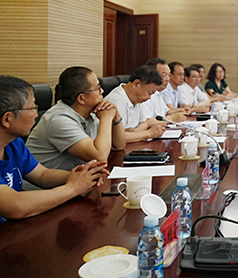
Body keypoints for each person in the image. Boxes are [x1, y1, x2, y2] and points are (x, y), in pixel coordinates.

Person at [0, 76, 109, 223]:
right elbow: (15, 206)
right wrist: (73, 187)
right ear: (7, 119)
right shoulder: (57, 118)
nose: (36, 114)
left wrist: (81, 176)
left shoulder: (14, 144)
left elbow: (42, 175)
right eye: (32, 108)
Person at [25, 67, 126, 173]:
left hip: (75, 179)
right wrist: (106, 118)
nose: (102, 91)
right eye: (98, 88)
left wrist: (116, 117)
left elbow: (119, 146)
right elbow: (100, 157)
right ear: (82, 98)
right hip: (46, 182)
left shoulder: (90, 111)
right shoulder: (59, 120)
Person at [105, 65, 167, 143]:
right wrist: (149, 133)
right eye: (149, 93)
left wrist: (134, 132)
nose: (149, 97)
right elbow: (116, 138)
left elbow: (144, 123)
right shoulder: (117, 101)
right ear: (136, 84)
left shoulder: (138, 98)